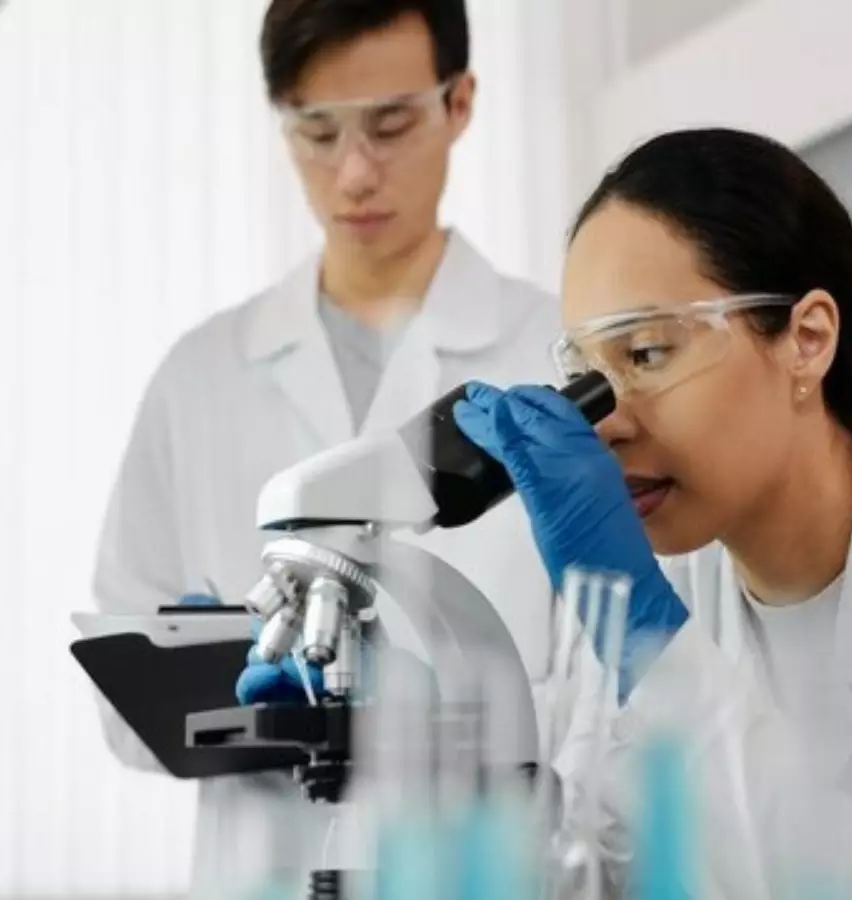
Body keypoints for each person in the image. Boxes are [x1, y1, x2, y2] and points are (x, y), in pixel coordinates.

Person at [445, 128, 852, 897]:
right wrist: (430, 761)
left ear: (808, 339)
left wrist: (645, 637)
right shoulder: (675, 574)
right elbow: (600, 865)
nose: (605, 424)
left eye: (648, 353)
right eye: (585, 377)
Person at [91, 1, 559, 895]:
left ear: (459, 103)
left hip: (476, 869)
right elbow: (120, 700)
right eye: (316, 132)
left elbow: (609, 702)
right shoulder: (201, 378)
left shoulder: (543, 354)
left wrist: (435, 712)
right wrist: (205, 675)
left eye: (390, 125)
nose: (353, 172)